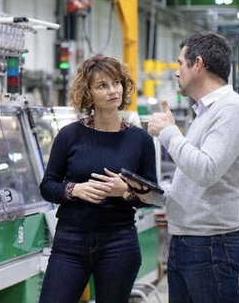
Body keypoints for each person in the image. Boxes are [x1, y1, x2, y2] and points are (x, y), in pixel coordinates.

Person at [132, 32, 239, 303]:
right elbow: (193, 182)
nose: (176, 72)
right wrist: (151, 194)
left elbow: (206, 170)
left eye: (179, 64)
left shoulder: (232, 110)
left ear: (197, 64)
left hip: (210, 245)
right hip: (188, 240)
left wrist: (169, 134)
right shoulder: (205, 112)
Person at [38, 56, 157, 303]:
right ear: (89, 93)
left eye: (116, 83)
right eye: (102, 85)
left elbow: (150, 197)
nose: (113, 90)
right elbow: (47, 186)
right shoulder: (69, 135)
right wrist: (74, 190)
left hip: (119, 242)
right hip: (71, 240)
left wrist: (124, 192)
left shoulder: (140, 140)